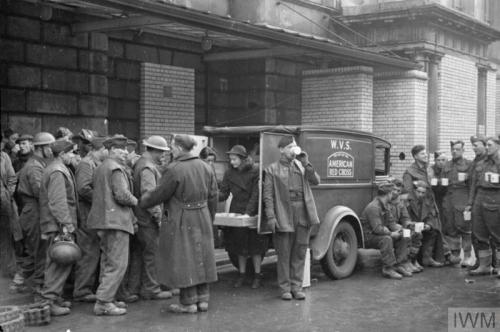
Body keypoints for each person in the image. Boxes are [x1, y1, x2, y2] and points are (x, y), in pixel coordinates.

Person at [140, 134, 218, 314]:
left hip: (182, 217)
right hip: (203, 215)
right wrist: (209, 217)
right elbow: (213, 195)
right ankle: (203, 299)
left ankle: (188, 302)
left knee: (185, 258)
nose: (171, 150)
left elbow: (159, 193)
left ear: (180, 148)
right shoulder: (206, 167)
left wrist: (142, 201)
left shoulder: (174, 169)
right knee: (202, 257)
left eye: (173, 146)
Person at [263, 136, 320, 301]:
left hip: (302, 212)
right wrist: (271, 216)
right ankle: (285, 288)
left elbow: (315, 181)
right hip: (283, 213)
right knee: (284, 253)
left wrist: (307, 163)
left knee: (300, 251)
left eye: (294, 146)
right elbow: (268, 196)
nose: (293, 150)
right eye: (289, 147)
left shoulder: (302, 167)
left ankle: (297, 287)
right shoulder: (271, 170)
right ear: (281, 150)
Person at [87, 134, 138, 316]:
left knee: (108, 262)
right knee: (118, 264)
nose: (125, 152)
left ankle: (107, 297)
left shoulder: (102, 167)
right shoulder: (116, 168)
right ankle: (104, 302)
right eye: (120, 149)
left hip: (104, 221)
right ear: (110, 150)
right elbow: (122, 195)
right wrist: (137, 201)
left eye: (125, 149)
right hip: (116, 222)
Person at [38, 140, 78, 316]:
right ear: (62, 154)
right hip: (58, 225)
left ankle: (54, 297)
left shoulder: (56, 168)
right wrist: (66, 225)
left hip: (56, 223)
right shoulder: (57, 171)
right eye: (72, 153)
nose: (74, 156)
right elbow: (58, 201)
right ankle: (49, 301)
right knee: (59, 262)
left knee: (59, 262)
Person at [219, 145, 267, 289]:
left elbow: (256, 194)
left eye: (234, 159)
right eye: (230, 159)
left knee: (255, 247)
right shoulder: (229, 173)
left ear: (242, 159)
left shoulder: (255, 171)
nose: (232, 162)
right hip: (236, 209)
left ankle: (257, 276)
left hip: (253, 211)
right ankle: (241, 275)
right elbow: (224, 193)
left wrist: (248, 212)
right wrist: (212, 196)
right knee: (238, 246)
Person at [130, 135, 172, 300]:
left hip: (139, 217)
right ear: (154, 150)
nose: (163, 156)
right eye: (161, 152)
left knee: (139, 254)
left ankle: (135, 288)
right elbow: (150, 197)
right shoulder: (147, 167)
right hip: (147, 219)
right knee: (151, 255)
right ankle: (151, 289)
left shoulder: (140, 163)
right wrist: (159, 217)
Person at [403, 145, 459, 265]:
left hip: (430, 204)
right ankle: (442, 255)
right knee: (428, 229)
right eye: (422, 153)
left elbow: (431, 188)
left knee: (435, 228)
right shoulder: (409, 172)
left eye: (426, 153)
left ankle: (433, 257)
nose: (425, 155)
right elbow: (408, 192)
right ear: (415, 156)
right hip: (417, 208)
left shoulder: (428, 170)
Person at [15, 132, 55, 295]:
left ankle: (21, 282)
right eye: (50, 147)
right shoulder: (34, 167)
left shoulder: (38, 164)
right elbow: (40, 192)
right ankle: (39, 288)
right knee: (39, 251)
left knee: (37, 251)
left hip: (34, 210)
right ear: (42, 148)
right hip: (34, 212)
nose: (51, 150)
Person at [73, 136, 107, 303]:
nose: (107, 153)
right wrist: (103, 198)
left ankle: (87, 287)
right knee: (88, 251)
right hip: (87, 214)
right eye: (105, 150)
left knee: (93, 251)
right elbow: (83, 188)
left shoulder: (95, 164)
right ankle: (82, 290)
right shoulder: (86, 164)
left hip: (93, 213)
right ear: (97, 150)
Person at [361, 182, 411, 279]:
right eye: (392, 193)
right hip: (369, 236)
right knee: (387, 239)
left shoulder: (385, 205)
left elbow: (391, 223)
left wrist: (401, 229)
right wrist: (392, 233)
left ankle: (398, 264)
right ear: (388, 194)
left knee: (404, 235)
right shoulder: (373, 207)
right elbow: (378, 229)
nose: (393, 195)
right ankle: (388, 268)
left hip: (379, 233)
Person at [466, 136, 500, 277]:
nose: (487, 147)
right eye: (485, 145)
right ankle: (484, 266)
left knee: (497, 234)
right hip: (480, 198)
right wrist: (470, 203)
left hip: (495, 197)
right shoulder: (482, 162)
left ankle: (498, 266)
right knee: (479, 233)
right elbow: (474, 184)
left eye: (490, 145)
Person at [441, 140, 473, 267]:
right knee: (451, 227)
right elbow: (443, 183)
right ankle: (455, 255)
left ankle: (467, 256)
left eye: (458, 149)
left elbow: (472, 185)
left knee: (465, 228)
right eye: (453, 149)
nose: (454, 151)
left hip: (463, 198)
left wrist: (470, 202)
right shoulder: (446, 165)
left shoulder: (469, 165)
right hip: (449, 199)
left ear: (463, 150)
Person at [406, 180, 444, 267]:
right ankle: (412, 260)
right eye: (418, 192)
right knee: (415, 234)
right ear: (414, 191)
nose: (420, 194)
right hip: (409, 226)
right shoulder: (407, 201)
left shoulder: (427, 202)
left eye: (423, 193)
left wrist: (428, 225)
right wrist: (412, 225)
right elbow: (404, 217)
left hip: (421, 226)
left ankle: (427, 257)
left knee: (434, 231)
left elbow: (430, 215)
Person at [389, 179, 423, 273]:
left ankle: (411, 260)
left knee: (417, 232)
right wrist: (402, 228)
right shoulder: (386, 201)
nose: (396, 192)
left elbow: (405, 217)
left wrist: (410, 224)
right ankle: (401, 262)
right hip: (388, 228)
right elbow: (388, 221)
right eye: (394, 190)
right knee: (406, 235)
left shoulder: (400, 202)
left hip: (397, 226)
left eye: (398, 191)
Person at [0, 141, 21, 280]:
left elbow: (12, 178)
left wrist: (7, 193)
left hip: (2, 202)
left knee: (5, 236)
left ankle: (7, 269)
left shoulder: (4, 157)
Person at [428, 151, 448, 220]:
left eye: (443, 160)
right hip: (435, 197)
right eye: (438, 160)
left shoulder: (449, 169)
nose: (441, 162)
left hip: (447, 197)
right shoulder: (431, 169)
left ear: (447, 160)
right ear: (435, 161)